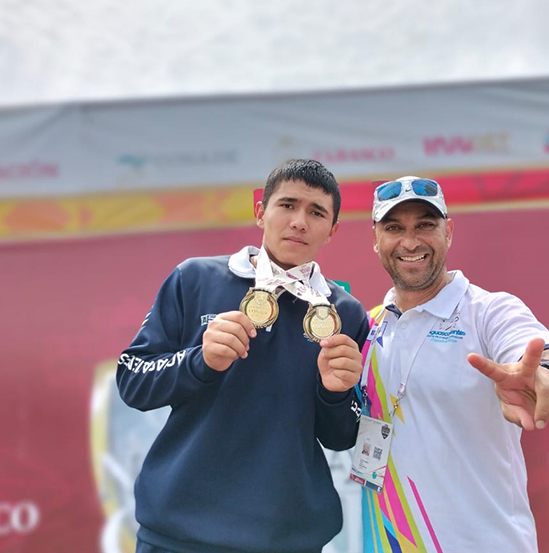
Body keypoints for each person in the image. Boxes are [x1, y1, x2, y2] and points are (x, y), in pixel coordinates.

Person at [117, 159, 369, 553]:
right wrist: (199, 361)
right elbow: (133, 379)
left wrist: (336, 394)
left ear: (333, 230)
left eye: (316, 212)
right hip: (179, 536)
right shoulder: (194, 278)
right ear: (260, 212)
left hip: (288, 539)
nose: (299, 222)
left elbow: (342, 437)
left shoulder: (345, 313)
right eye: (287, 205)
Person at [358, 176, 549, 552]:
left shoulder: (488, 311)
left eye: (425, 225)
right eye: (394, 228)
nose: (410, 242)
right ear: (375, 239)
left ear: (448, 232)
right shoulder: (368, 328)